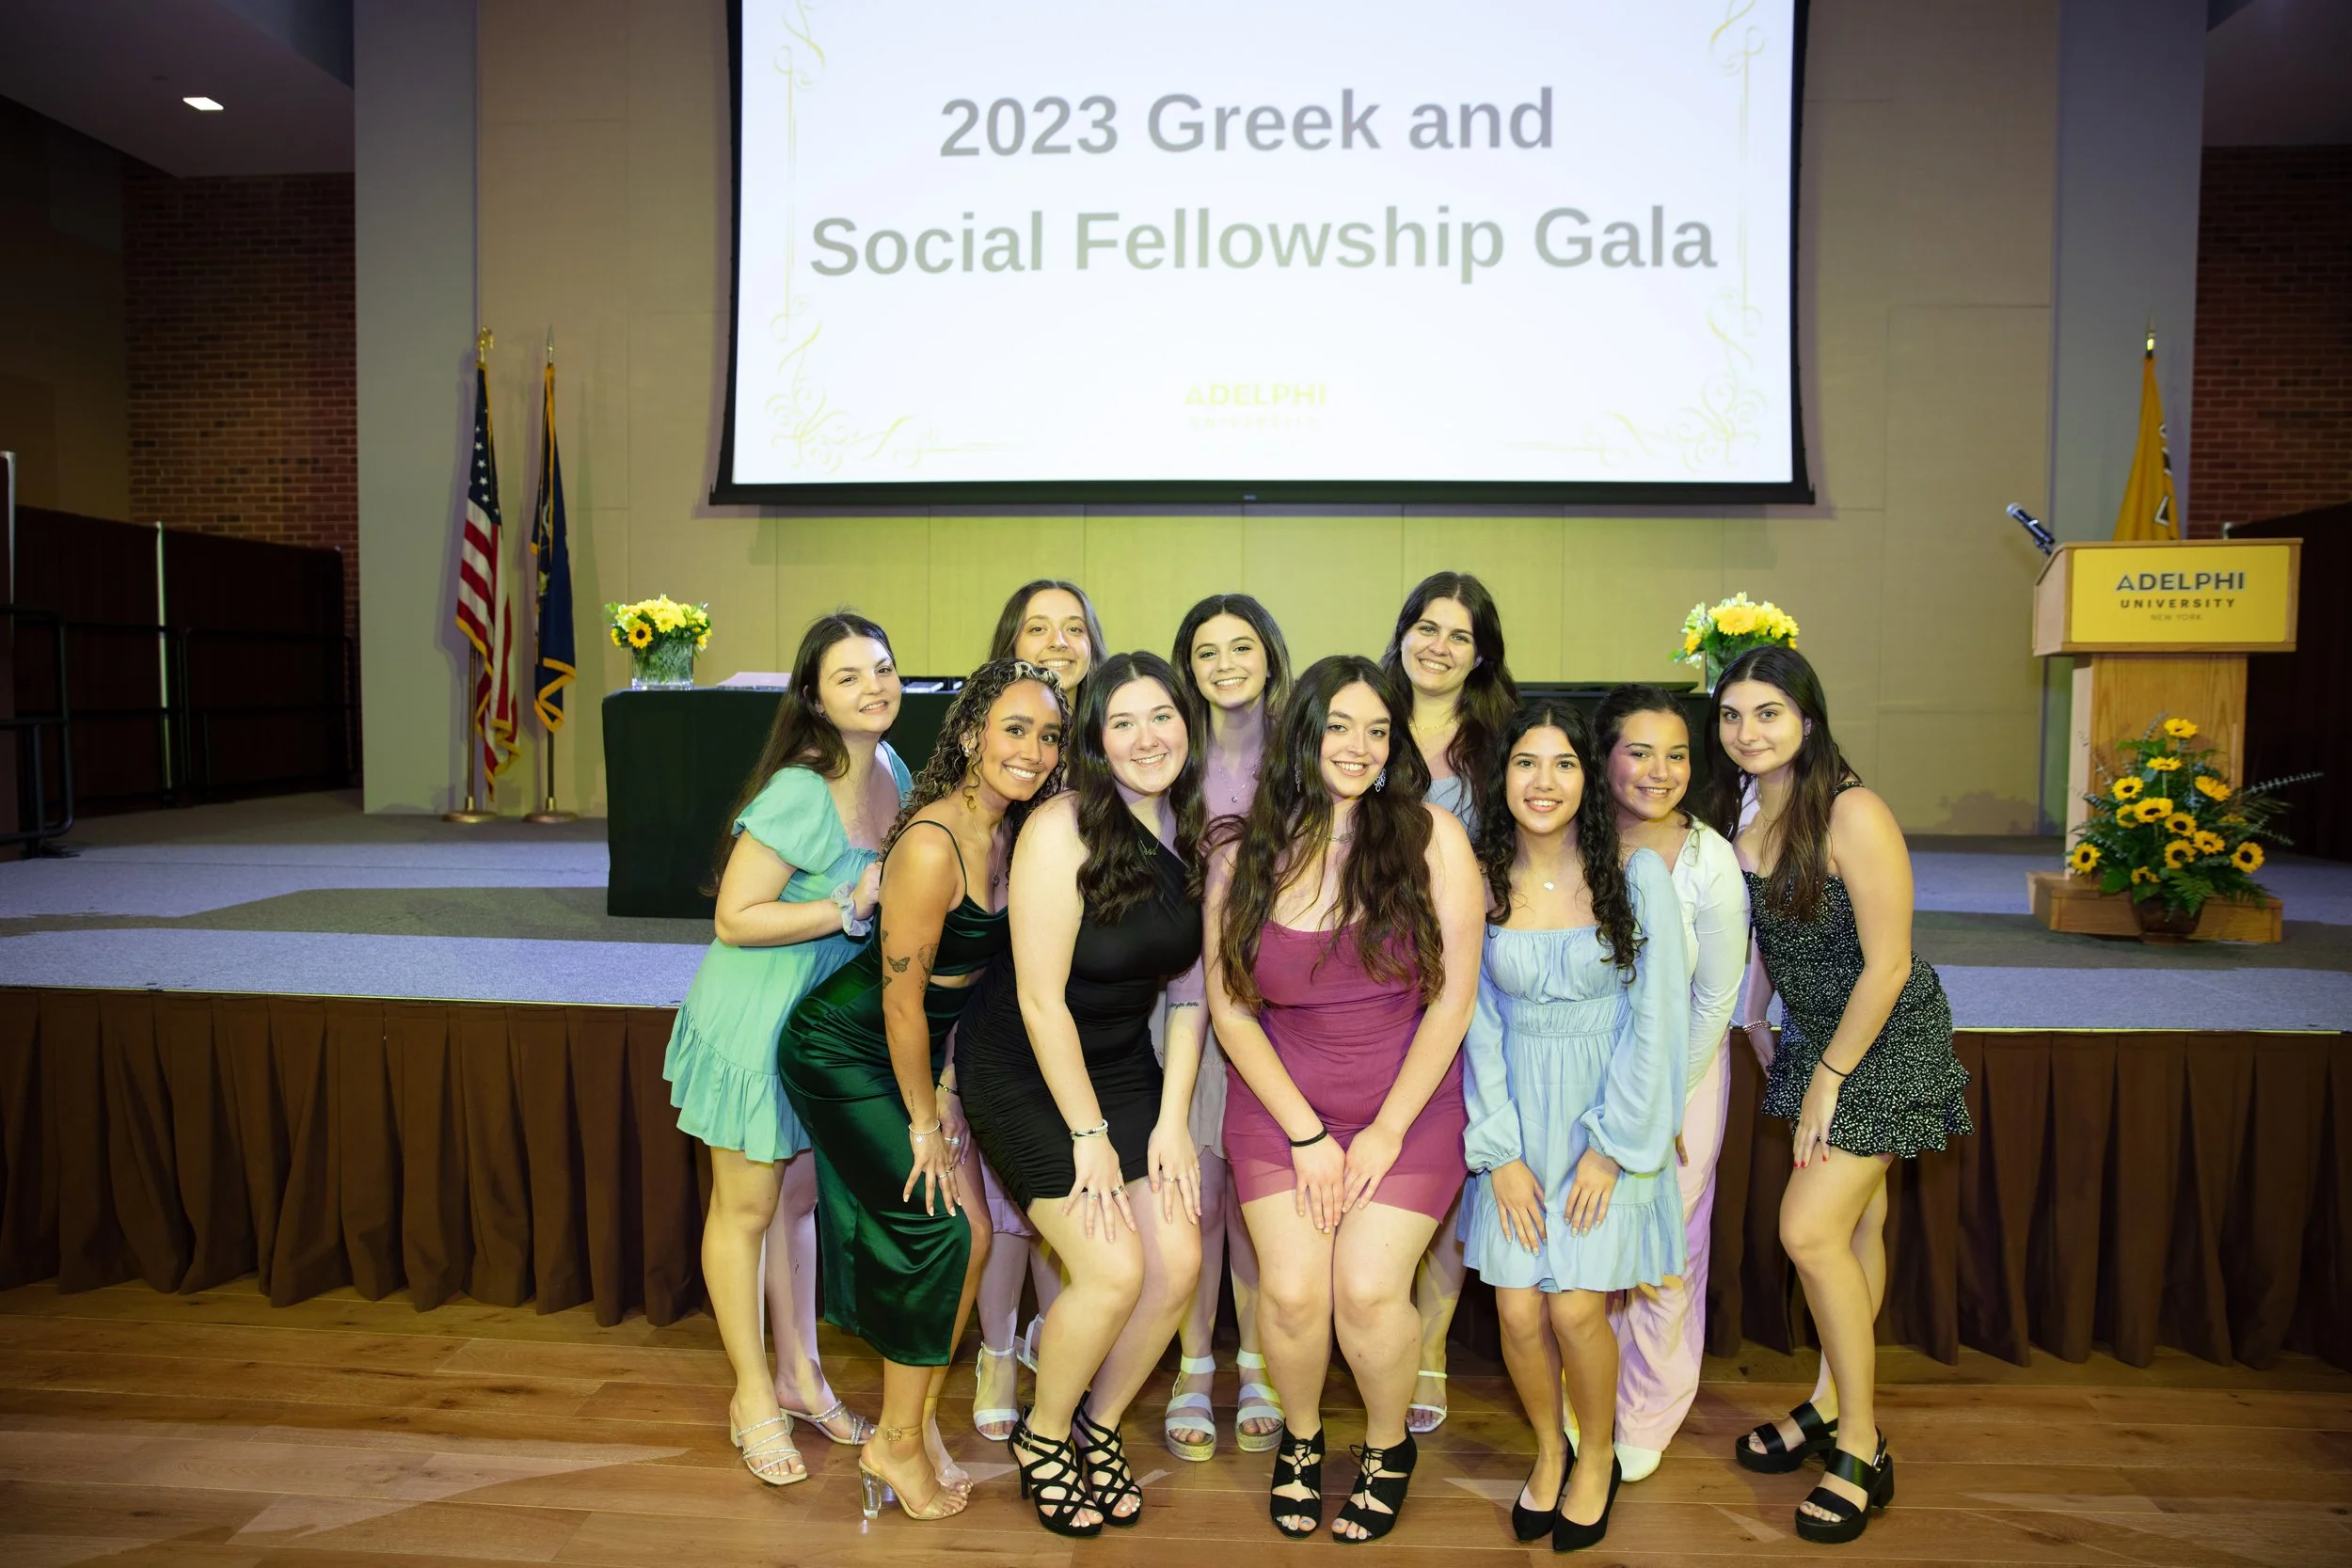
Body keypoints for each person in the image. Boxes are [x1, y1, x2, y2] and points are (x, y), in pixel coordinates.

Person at [780, 659, 1069, 1523]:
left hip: (911, 1053)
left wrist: (945, 1083)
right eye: (1014, 729)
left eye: (1049, 734)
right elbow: (903, 1001)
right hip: (843, 1049)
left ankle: (914, 1425)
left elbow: (967, 988)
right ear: (974, 731)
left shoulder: (1013, 831)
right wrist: (922, 1120)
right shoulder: (934, 842)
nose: (1033, 749)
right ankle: (896, 1440)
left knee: (974, 1236)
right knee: (944, 1230)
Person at [1205, 655, 1484, 1543]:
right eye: (1339, 727)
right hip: (1282, 1107)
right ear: (1304, 734)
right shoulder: (1242, 849)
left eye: (1376, 730)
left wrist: (1386, 1130)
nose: (1358, 747)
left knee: (1366, 1290)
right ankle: (1299, 1437)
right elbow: (1230, 1009)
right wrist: (1309, 1133)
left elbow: (1455, 998)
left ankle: (1388, 1443)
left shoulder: (1433, 837)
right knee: (1290, 1294)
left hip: (1410, 1106)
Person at [1705, 645, 1970, 1546]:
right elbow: (1762, 951)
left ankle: (1862, 1441)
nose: (1748, 732)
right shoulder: (1745, 810)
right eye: (1733, 715)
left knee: (1806, 1230)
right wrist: (1757, 1028)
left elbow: (1890, 962)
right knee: (1858, 1226)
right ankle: (1826, 1402)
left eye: (1768, 713)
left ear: (1807, 719)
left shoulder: (1852, 808)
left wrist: (1828, 1076)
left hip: (1883, 1031)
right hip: (1812, 1031)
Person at [960, 652, 1209, 1536]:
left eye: (1163, 716)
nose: (1149, 738)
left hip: (1122, 1062)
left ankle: (1100, 1426)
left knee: (1177, 1261)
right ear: (1098, 741)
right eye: (1124, 722)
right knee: (1110, 1270)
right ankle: (1045, 1432)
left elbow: (1189, 992)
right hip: (1028, 1063)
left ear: (1188, 721)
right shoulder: (1063, 825)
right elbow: (1036, 999)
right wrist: (1090, 1133)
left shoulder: (1201, 827)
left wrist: (1174, 1120)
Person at [660, 612, 908, 1486]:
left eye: (882, 668)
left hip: (822, 1031)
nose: (874, 686)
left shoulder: (892, 769)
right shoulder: (800, 790)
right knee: (747, 1206)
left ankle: (803, 1373)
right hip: (756, 1022)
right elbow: (734, 918)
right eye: (848, 676)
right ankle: (753, 1394)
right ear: (813, 697)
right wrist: (846, 907)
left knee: (798, 1198)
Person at [1460, 701, 1689, 1552]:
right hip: (1517, 1120)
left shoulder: (1637, 879)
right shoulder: (1479, 884)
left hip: (1608, 1119)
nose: (1543, 781)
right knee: (1519, 1311)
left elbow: (1655, 1024)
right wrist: (1502, 1152)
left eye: (1562, 763)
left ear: (1588, 780)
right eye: (1526, 762)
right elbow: (1472, 1022)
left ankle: (1597, 1456)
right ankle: (1548, 1449)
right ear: (1503, 777)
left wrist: (1614, 1147)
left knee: (1578, 1311)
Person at [1592, 686, 1749, 1481]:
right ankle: (1585, 1391)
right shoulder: (1570, 839)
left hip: (1682, 1072)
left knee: (1662, 1251)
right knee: (1584, 1245)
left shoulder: (1707, 857)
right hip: (1581, 1072)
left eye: (1678, 753)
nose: (1660, 771)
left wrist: (1663, 1098)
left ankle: (1648, 1405)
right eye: (1640, 751)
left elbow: (1717, 995)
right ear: (1605, 755)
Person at [1379, 571, 1518, 1434]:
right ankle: (1373, 1325)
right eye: (1425, 626)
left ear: (1481, 655)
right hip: (1366, 975)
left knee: (1451, 1165)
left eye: (1458, 635)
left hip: (1465, 973)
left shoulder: (1499, 744)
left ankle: (1427, 1343)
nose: (1437, 645)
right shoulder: (1365, 721)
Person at [966, 578, 1106, 1435]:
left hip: (1093, 1010)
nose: (1057, 641)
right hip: (1001, 1004)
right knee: (1009, 1206)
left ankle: (1058, 1348)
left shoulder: (1114, 738)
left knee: (1068, 1207)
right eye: (1036, 627)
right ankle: (993, 1354)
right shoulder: (996, 744)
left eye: (1073, 628)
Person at [1160, 594, 1293, 1463]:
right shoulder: (1169, 753)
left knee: (1259, 1201)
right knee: (1198, 1197)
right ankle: (1192, 1365)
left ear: (1271, 656)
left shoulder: (1303, 754)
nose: (1225, 664)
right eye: (1206, 651)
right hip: (1179, 997)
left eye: (1241, 646)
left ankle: (1258, 1364)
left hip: (1282, 1002)